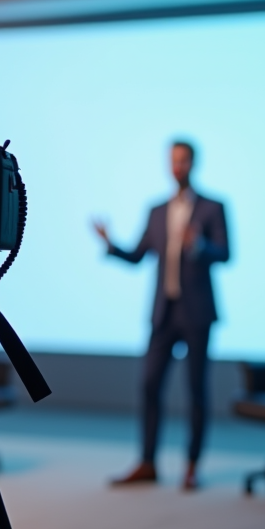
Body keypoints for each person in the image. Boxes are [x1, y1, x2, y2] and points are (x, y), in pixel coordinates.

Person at [94, 140, 229, 491]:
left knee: (196, 391)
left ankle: (192, 466)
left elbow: (226, 253)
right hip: (163, 313)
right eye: (172, 161)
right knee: (149, 385)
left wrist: (199, 246)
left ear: (193, 164)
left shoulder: (213, 207)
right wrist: (110, 244)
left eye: (183, 161)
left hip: (197, 313)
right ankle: (148, 462)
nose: (178, 167)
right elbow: (139, 256)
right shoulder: (156, 210)